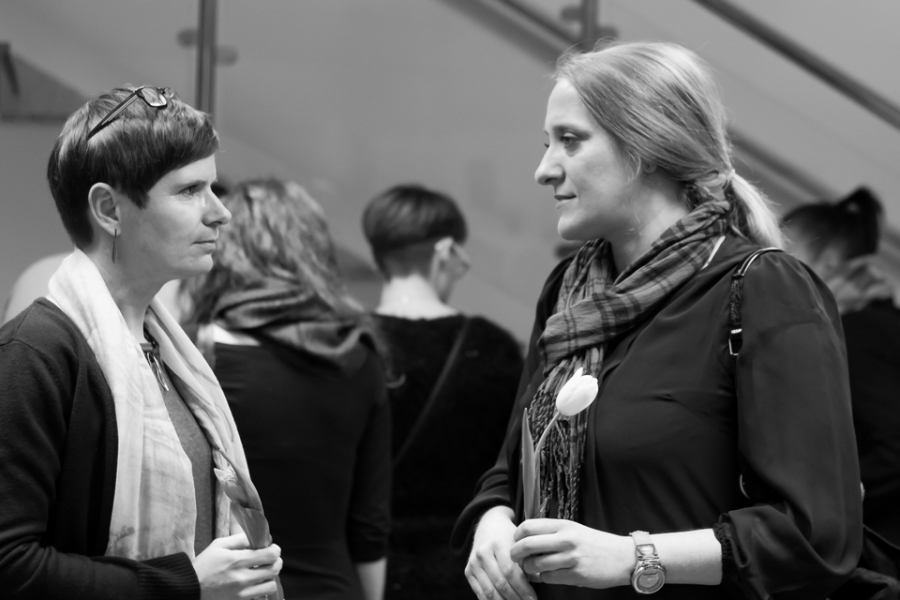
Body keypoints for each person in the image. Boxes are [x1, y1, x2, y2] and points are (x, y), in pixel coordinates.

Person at [454, 42, 862, 599]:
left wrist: (634, 557)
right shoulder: (570, 291)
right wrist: (493, 520)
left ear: (647, 146)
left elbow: (815, 534)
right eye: (548, 144)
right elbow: (511, 464)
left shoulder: (764, 288)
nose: (544, 170)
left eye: (570, 140)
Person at [0, 85, 282, 599]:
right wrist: (187, 583)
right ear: (109, 208)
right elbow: (10, 565)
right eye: (190, 191)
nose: (221, 212)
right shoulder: (36, 353)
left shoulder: (169, 350)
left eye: (212, 188)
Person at [184, 178, 392, 600]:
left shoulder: (188, 353)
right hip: (334, 587)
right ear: (313, 254)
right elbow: (369, 523)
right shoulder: (359, 355)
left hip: (230, 587)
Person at [362, 184, 524, 599]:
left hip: (366, 570)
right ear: (447, 250)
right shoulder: (491, 348)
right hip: (463, 568)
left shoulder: (344, 346)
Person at [784, 187, 900, 548]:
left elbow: (894, 450)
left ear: (830, 261)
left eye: (786, 253)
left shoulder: (858, 333)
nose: (772, 267)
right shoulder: (874, 322)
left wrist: (818, 511)